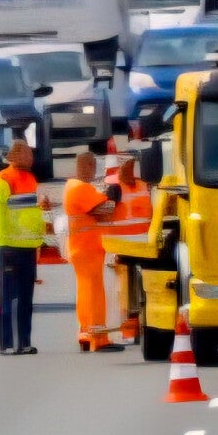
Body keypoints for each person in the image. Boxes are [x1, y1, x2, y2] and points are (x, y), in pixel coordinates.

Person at [0, 138, 44, 355]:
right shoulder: (3, 180)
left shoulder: (30, 178)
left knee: (26, 297)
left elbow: (33, 210)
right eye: (26, 153)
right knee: (11, 296)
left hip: (28, 245)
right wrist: (4, 242)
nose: (30, 157)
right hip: (10, 246)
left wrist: (40, 237)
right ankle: (9, 344)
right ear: (15, 155)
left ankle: (24, 341)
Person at [62, 149, 121, 353]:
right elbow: (105, 209)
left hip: (82, 248)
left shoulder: (72, 187)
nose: (94, 170)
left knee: (85, 291)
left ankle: (86, 334)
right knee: (93, 292)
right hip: (87, 248)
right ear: (85, 166)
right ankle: (98, 338)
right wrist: (112, 198)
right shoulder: (81, 188)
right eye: (92, 166)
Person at [104, 152, 153, 340]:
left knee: (139, 286)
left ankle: (138, 324)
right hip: (122, 245)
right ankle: (129, 328)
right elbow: (107, 213)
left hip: (141, 243)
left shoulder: (142, 184)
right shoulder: (114, 186)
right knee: (125, 289)